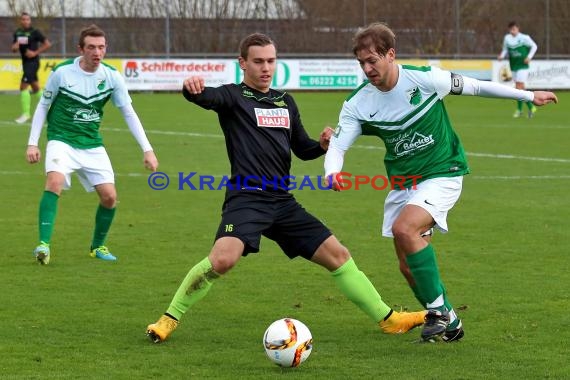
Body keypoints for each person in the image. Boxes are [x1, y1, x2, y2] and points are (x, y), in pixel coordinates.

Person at [146, 33, 426, 343]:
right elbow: (204, 97)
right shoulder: (232, 97)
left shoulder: (285, 101)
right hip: (247, 198)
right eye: (258, 61)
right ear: (243, 63)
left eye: (270, 61)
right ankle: (169, 318)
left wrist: (321, 145)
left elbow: (302, 149)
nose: (266, 68)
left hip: (282, 201)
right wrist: (191, 89)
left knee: (338, 255)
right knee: (223, 259)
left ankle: (389, 319)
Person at [324, 22, 557, 343]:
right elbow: (338, 142)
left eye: (373, 60)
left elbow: (477, 86)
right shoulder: (357, 104)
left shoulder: (425, 78)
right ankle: (451, 319)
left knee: (405, 230)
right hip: (403, 184)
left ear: (391, 55)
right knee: (407, 267)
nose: (367, 69)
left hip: (443, 172)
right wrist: (331, 172)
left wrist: (529, 94)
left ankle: (436, 311)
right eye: (361, 63)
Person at [26, 24, 159, 264]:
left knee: (109, 197)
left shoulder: (111, 76)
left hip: (92, 144)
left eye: (101, 47)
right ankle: (43, 245)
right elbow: (43, 106)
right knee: (54, 181)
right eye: (91, 47)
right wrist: (32, 143)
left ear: (105, 48)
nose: (96, 52)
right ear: (81, 49)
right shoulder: (62, 72)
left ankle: (97, 247)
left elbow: (129, 113)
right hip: (61, 139)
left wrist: (147, 149)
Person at [12, 12, 52, 124]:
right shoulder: (18, 32)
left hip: (33, 62)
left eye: (27, 19)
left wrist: (35, 53)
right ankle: (50, 111)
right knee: (36, 88)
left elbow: (48, 44)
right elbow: (14, 47)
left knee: (23, 86)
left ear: (30, 21)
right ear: (21, 21)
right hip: (25, 63)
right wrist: (14, 47)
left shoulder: (35, 32)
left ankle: (26, 114)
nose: (25, 21)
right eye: (23, 19)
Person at [497, 21, 538, 118]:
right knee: (519, 88)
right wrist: (501, 56)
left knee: (519, 87)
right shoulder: (507, 38)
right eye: (511, 29)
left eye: (514, 29)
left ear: (518, 29)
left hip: (523, 66)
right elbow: (505, 49)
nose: (512, 31)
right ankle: (529, 107)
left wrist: (529, 57)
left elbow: (534, 46)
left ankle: (523, 109)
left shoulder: (524, 37)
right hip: (514, 65)